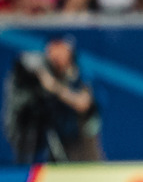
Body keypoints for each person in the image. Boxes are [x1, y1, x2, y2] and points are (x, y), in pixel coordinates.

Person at [2, 35, 102, 163]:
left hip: (79, 138)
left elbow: (83, 103)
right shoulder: (43, 69)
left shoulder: (82, 72)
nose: (57, 56)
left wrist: (53, 86)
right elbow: (25, 61)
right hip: (50, 138)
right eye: (53, 50)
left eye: (61, 50)